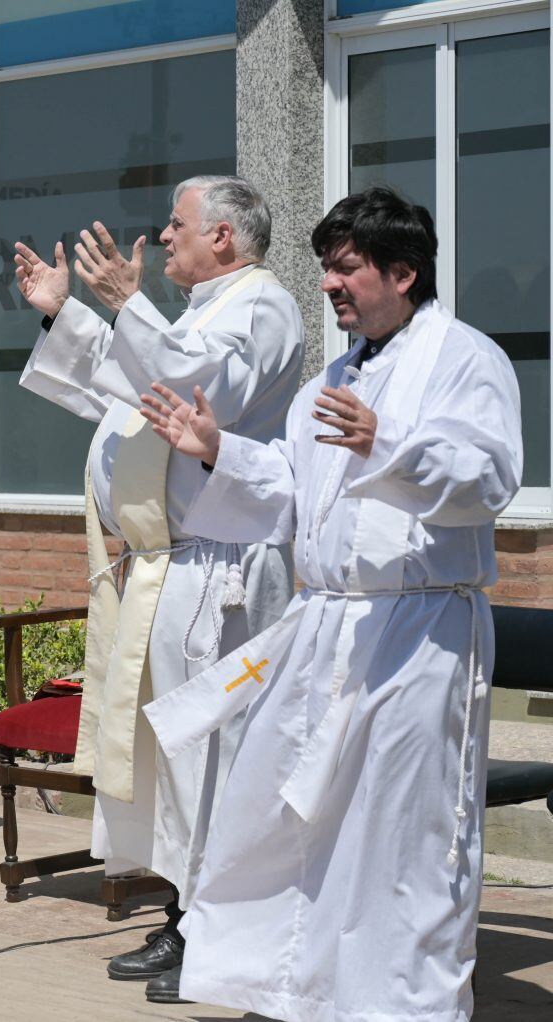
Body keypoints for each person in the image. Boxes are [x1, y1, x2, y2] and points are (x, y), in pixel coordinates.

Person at [140, 186, 521, 1020]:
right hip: (331, 629)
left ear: (403, 271)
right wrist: (218, 453)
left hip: (421, 639)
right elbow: (291, 492)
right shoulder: (337, 374)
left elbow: (490, 479)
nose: (328, 286)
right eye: (325, 269)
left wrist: (389, 442)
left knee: (406, 838)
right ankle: (307, 991)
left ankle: (407, 1003)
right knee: (297, 823)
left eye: (346, 269)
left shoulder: (465, 358)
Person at [13, 175, 303, 999]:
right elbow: (127, 381)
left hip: (225, 572)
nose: (163, 236)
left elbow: (193, 392)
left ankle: (218, 937)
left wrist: (128, 306)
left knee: (213, 761)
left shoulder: (265, 307)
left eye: (177, 225)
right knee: (173, 761)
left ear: (225, 237)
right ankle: (185, 917)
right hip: (170, 567)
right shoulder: (207, 310)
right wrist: (65, 313)